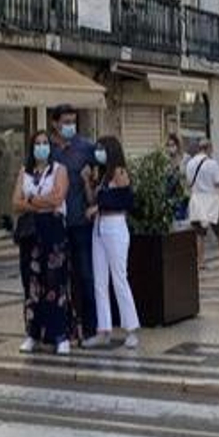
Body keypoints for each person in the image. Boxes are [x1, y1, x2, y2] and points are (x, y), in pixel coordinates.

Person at [11, 130, 75, 354]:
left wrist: (32, 200)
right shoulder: (25, 172)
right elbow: (16, 203)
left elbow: (58, 198)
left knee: (55, 283)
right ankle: (33, 333)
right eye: (37, 143)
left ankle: (60, 335)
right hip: (31, 233)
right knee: (32, 284)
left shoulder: (59, 170)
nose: (41, 147)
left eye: (45, 143)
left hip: (53, 231)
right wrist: (40, 204)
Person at [83, 136, 141, 350]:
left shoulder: (120, 172)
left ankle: (131, 328)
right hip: (99, 228)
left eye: (101, 149)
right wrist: (87, 182)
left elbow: (125, 200)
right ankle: (103, 329)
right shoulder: (102, 175)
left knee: (119, 278)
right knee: (100, 280)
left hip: (115, 226)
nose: (98, 152)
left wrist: (98, 208)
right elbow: (94, 200)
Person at [50, 105, 98, 339]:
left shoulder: (86, 147)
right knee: (57, 279)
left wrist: (95, 203)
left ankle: (91, 327)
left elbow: (105, 173)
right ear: (55, 123)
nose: (70, 126)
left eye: (73, 121)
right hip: (56, 224)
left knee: (86, 275)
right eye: (66, 121)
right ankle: (62, 326)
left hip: (81, 224)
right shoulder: (48, 150)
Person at [185, 137, 219, 269]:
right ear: (208, 148)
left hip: (196, 200)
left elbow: (188, 183)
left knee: (199, 234)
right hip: (210, 200)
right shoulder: (212, 163)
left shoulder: (190, 164)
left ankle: (200, 262)